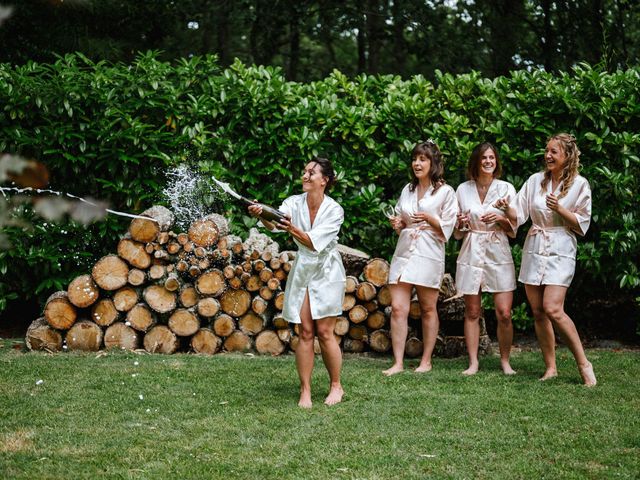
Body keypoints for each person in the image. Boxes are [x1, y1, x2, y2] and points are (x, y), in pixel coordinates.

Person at [496, 133, 596, 386]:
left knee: (553, 308)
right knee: (538, 311)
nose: (548, 155)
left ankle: (584, 364)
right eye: (547, 151)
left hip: (561, 246)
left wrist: (560, 208)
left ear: (567, 156)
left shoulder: (579, 185)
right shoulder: (534, 181)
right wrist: (506, 207)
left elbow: (582, 223)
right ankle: (550, 367)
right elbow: (518, 212)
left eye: (554, 152)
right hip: (535, 244)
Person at [248, 157, 347, 407]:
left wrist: (289, 228)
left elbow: (313, 242)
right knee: (305, 331)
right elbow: (275, 224)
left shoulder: (335, 210)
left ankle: (336, 386)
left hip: (327, 271)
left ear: (324, 180)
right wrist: (261, 215)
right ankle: (305, 390)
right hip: (303, 268)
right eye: (304, 172)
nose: (305, 176)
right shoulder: (293, 202)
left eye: (311, 173)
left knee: (325, 332)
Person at [383, 140, 458, 376]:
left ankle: (426, 360)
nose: (417, 163)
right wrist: (399, 223)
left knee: (427, 308)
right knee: (397, 308)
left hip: (429, 251)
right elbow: (401, 217)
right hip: (405, 250)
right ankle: (397, 362)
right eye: (415, 159)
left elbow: (449, 226)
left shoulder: (446, 192)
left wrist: (430, 218)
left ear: (433, 163)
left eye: (423, 159)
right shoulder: (408, 189)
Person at [454, 142, 517, 375]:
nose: (488, 162)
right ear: (476, 162)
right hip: (472, 248)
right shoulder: (462, 189)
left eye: (492, 158)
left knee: (504, 312)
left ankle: (506, 361)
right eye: (484, 158)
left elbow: (515, 224)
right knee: (471, 311)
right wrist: (461, 223)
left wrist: (501, 219)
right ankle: (473, 362)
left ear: (496, 161)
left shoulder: (506, 188)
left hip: (497, 249)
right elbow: (457, 231)